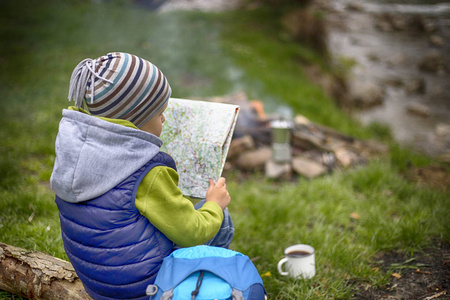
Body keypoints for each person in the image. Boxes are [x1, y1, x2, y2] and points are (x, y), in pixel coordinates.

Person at [50, 52, 234, 300]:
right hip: (146, 290)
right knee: (220, 221)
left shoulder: (74, 148)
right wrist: (214, 204)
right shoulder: (147, 172)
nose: (164, 118)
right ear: (138, 118)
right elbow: (193, 234)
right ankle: (201, 289)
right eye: (160, 113)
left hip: (99, 285)